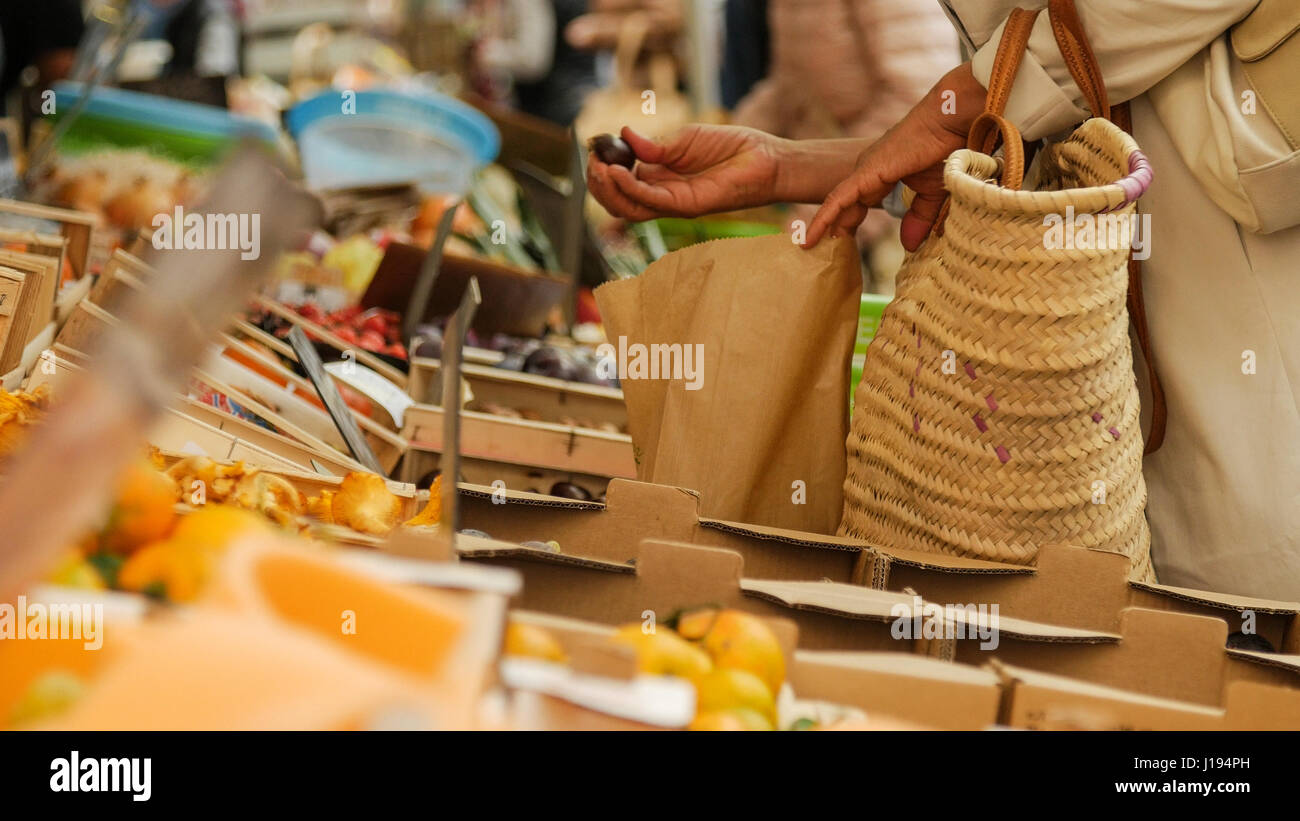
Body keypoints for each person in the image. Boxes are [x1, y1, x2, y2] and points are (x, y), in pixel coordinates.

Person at [586, 0, 1300, 601]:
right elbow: (1021, 137)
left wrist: (973, 93)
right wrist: (786, 165)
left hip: (1228, 360)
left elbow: (1035, 88)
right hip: (1109, 412)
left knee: (1221, 640)